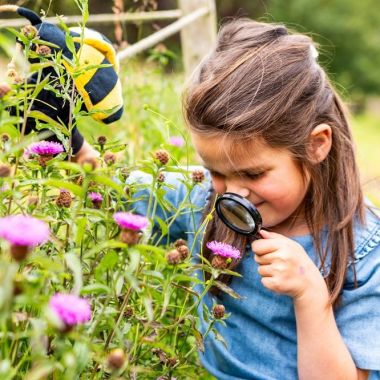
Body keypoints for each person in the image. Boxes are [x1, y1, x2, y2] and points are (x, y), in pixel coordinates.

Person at [93, 19, 380, 379]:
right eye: (215, 171)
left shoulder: (366, 253)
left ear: (316, 145)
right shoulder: (200, 200)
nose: (232, 194)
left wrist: (310, 295)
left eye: (253, 174)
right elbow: (104, 186)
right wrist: (66, 114)